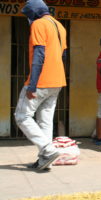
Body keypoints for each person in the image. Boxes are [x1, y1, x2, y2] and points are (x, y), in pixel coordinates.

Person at [14, 0, 67, 170]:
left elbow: (39, 54)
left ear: (34, 13)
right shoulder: (60, 26)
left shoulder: (38, 24)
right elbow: (63, 55)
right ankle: (45, 159)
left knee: (22, 116)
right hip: (57, 81)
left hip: (41, 80)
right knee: (45, 120)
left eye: (29, 15)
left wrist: (32, 85)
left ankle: (48, 149)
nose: (29, 19)